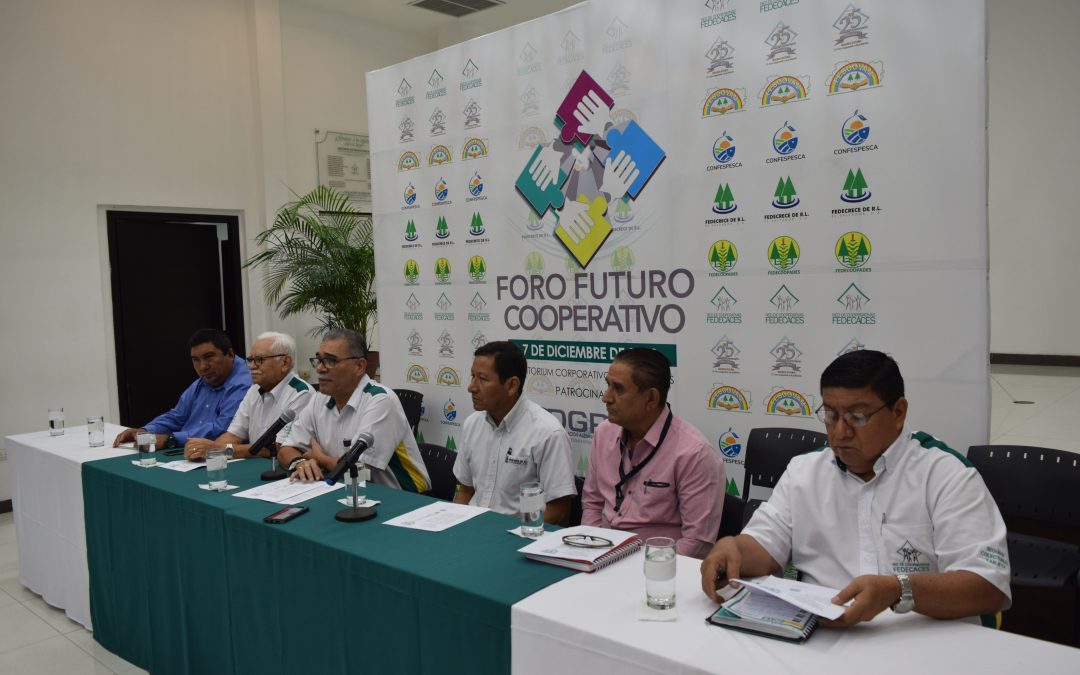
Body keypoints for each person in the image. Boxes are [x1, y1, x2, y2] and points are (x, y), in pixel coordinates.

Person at [699, 349, 1011, 626]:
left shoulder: (945, 474)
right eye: (831, 415)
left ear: (898, 412)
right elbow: (765, 546)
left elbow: (988, 587)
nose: (840, 432)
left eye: (857, 417)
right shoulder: (804, 471)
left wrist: (897, 590)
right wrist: (734, 549)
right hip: (821, 635)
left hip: (920, 639)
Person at [581, 348, 725, 559]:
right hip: (600, 556)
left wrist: (649, 568)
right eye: (608, 385)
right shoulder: (604, 433)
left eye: (618, 389)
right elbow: (592, 502)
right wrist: (592, 551)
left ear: (651, 398)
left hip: (656, 567)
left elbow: (697, 543)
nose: (606, 397)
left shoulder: (695, 454)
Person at [280, 328, 430, 493]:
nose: (320, 369)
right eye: (319, 360)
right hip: (345, 490)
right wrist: (301, 462)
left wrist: (318, 458)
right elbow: (286, 449)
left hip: (402, 496)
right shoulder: (320, 398)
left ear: (359, 366)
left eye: (331, 360)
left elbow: (359, 471)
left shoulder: (381, 400)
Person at [453, 341, 576, 523]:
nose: (471, 387)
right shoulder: (472, 424)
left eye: (483, 379)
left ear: (512, 386)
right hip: (471, 530)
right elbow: (465, 491)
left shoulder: (548, 433)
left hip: (519, 536)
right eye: (472, 376)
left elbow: (558, 512)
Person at [112, 328, 251, 449]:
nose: (203, 366)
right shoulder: (204, 381)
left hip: (221, 456)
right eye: (196, 359)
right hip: (187, 450)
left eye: (209, 357)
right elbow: (176, 416)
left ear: (230, 354)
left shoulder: (244, 384)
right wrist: (144, 431)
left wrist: (170, 440)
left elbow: (223, 430)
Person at [183, 331, 312, 460]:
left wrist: (219, 450)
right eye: (250, 360)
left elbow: (277, 447)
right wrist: (206, 451)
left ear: (285, 362)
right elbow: (233, 436)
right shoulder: (254, 390)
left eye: (259, 360)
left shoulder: (301, 393)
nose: (252, 366)